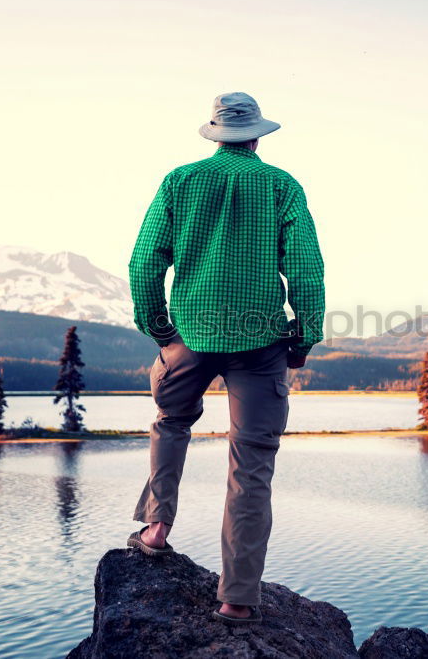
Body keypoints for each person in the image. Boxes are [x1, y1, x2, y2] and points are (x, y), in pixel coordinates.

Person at [126, 92, 325, 624]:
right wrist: (302, 340)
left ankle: (155, 527)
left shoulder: (180, 181)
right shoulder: (282, 186)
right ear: (257, 135)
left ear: (214, 134)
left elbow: (145, 263)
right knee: (252, 464)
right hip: (262, 344)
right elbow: (306, 272)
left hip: (188, 335)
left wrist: (160, 331)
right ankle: (237, 597)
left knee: (170, 421)